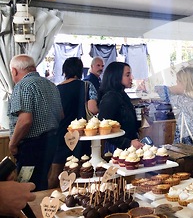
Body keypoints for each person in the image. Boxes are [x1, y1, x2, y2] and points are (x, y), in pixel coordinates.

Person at [8, 54, 63, 191]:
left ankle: (30, 213)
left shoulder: (23, 86)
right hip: (51, 143)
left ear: (14, 71)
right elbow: (61, 115)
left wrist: (13, 143)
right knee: (41, 183)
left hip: (31, 146)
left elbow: (25, 121)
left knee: (26, 186)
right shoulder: (51, 85)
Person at [48, 57, 99, 188]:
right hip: (81, 135)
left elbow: (54, 114)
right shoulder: (87, 86)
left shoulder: (56, 89)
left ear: (65, 70)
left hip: (60, 135)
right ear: (80, 70)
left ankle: (52, 200)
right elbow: (93, 109)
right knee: (82, 172)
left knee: (55, 174)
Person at [156, 67, 193, 146]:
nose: (176, 84)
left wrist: (175, 89)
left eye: (178, 82)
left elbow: (160, 90)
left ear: (185, 84)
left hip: (186, 149)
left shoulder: (186, 102)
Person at [98, 62, 143, 150]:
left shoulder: (122, 95)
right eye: (127, 75)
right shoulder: (110, 98)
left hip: (129, 146)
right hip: (116, 149)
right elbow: (104, 129)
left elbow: (128, 122)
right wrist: (127, 143)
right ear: (116, 77)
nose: (131, 78)